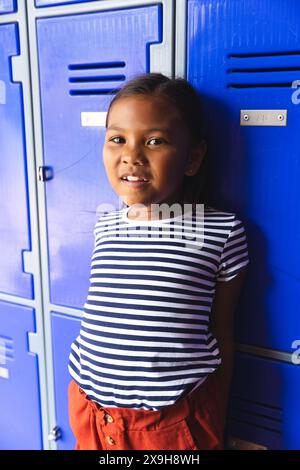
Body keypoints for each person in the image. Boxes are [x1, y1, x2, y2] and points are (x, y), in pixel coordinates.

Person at [67, 72, 250, 450]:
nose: (131, 155)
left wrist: (221, 416)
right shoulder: (106, 224)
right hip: (91, 410)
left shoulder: (222, 231)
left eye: (155, 141)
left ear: (193, 157)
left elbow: (222, 331)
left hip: (171, 423)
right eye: (117, 139)